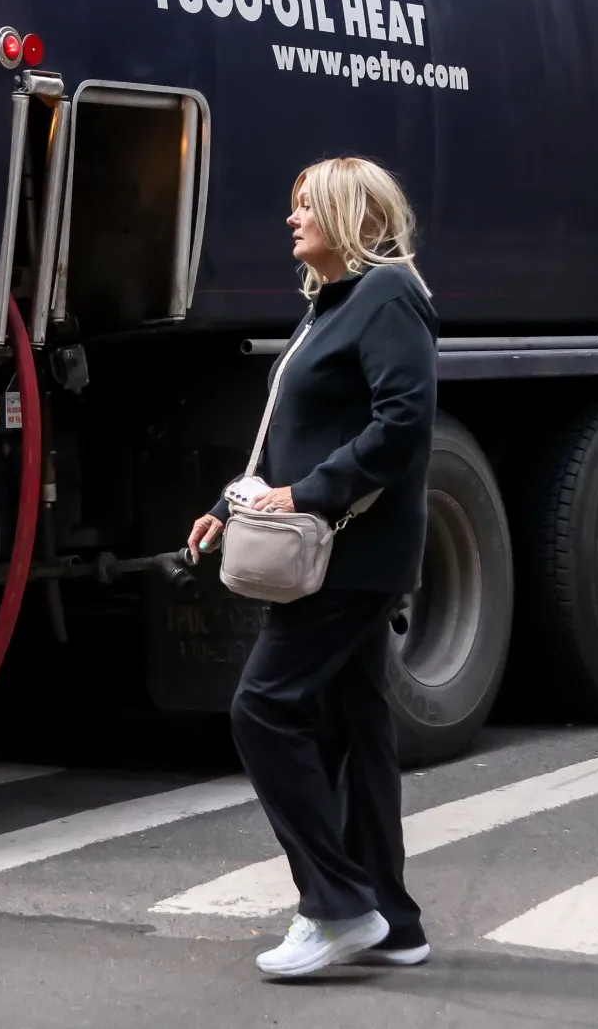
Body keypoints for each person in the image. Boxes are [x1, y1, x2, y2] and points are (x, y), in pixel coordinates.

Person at [186, 156, 439, 979]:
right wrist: (231, 507)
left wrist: (309, 495)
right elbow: (290, 431)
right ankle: (393, 922)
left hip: (350, 554)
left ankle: (334, 907)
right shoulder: (333, 305)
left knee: (262, 709)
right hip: (331, 551)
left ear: (351, 217)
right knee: (358, 729)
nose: (291, 220)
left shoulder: (389, 293)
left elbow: (403, 425)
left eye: (307, 207)